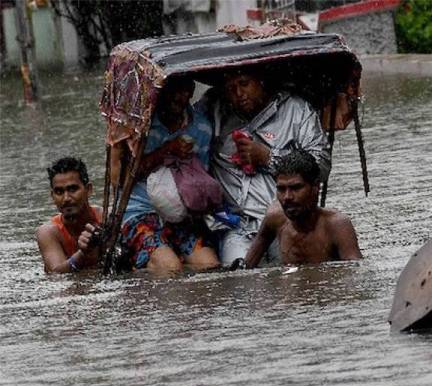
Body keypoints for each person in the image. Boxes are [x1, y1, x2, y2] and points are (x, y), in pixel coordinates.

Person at [198, 67, 331, 266]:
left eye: (244, 84)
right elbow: (184, 130)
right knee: (238, 282)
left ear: (261, 81)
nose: (239, 94)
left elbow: (321, 165)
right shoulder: (213, 108)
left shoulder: (296, 109)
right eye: (231, 88)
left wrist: (269, 157)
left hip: (286, 222)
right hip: (235, 226)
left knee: (292, 276)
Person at [111, 75, 219, 274]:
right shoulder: (139, 127)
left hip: (181, 215)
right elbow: (118, 180)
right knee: (170, 268)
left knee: (210, 265)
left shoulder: (201, 127)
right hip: (139, 211)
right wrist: (165, 152)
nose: (178, 97)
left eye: (185, 90)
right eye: (172, 90)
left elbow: (200, 179)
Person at [245, 151, 362, 268]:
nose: (287, 197)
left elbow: (354, 275)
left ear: (316, 187)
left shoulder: (337, 226)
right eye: (281, 189)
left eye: (296, 188)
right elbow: (246, 267)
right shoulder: (274, 218)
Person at [36, 157, 103, 273]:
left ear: (88, 190)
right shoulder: (49, 232)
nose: (66, 198)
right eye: (59, 192)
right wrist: (83, 253)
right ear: (52, 196)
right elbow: (56, 273)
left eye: (73, 189)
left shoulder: (105, 218)